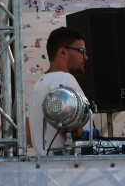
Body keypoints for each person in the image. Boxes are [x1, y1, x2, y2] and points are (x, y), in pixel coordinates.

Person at [28, 26, 89, 155]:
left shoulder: (39, 84)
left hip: (48, 164)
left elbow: (29, 135)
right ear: (62, 52)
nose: (86, 57)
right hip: (69, 166)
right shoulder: (64, 79)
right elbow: (71, 133)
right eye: (81, 51)